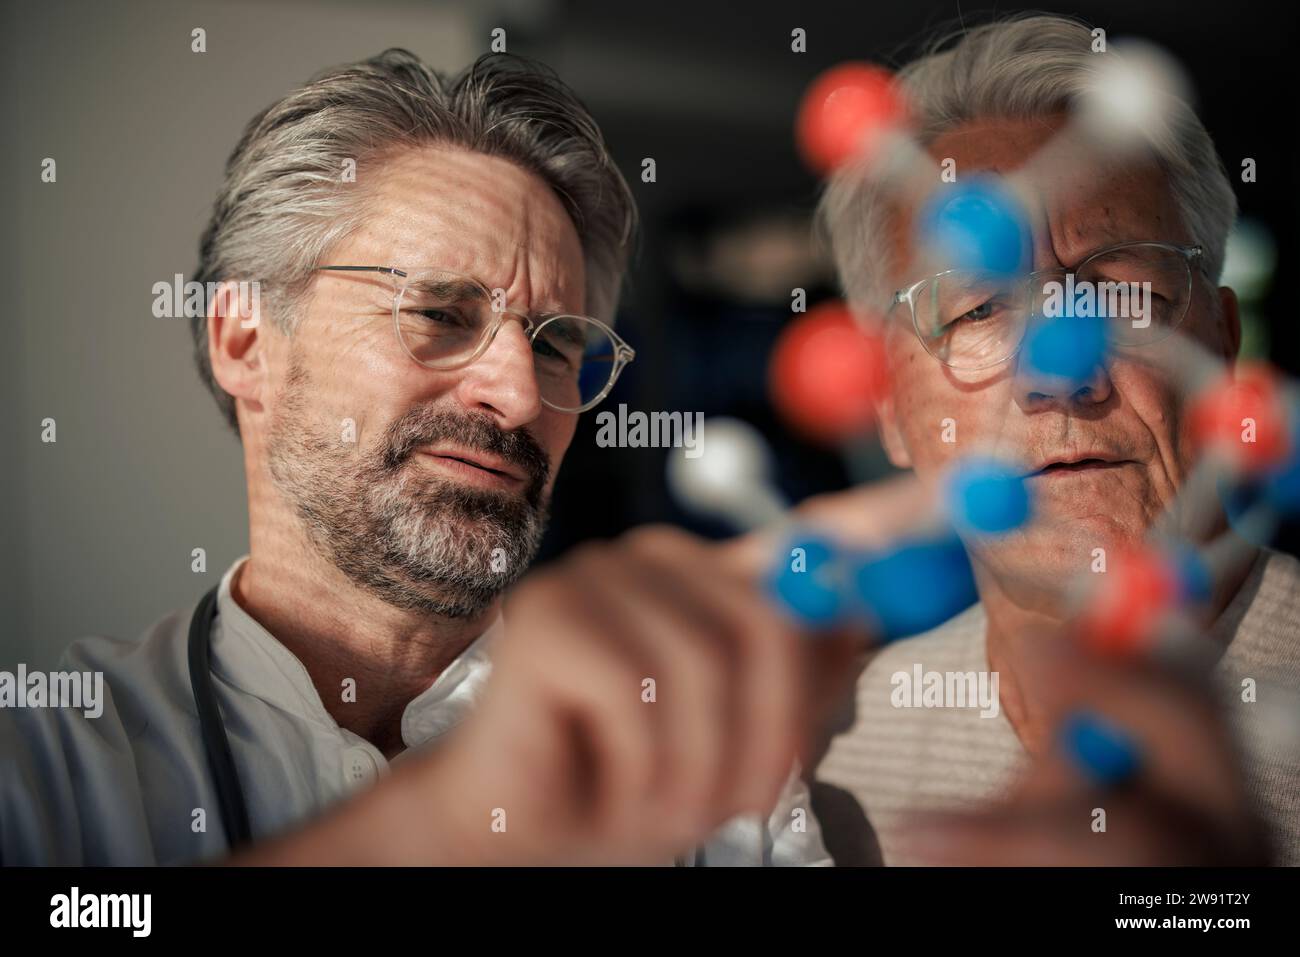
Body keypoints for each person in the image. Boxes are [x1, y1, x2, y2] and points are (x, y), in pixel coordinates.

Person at [0, 49, 837, 866]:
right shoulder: (44, 765)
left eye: (556, 346)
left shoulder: (715, 778)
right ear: (245, 339)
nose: (517, 397)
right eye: (440, 312)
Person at [810, 13, 1299, 865]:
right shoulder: (827, 763)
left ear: (1220, 344)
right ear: (886, 404)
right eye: (980, 310)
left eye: (1118, 290)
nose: (1060, 372)